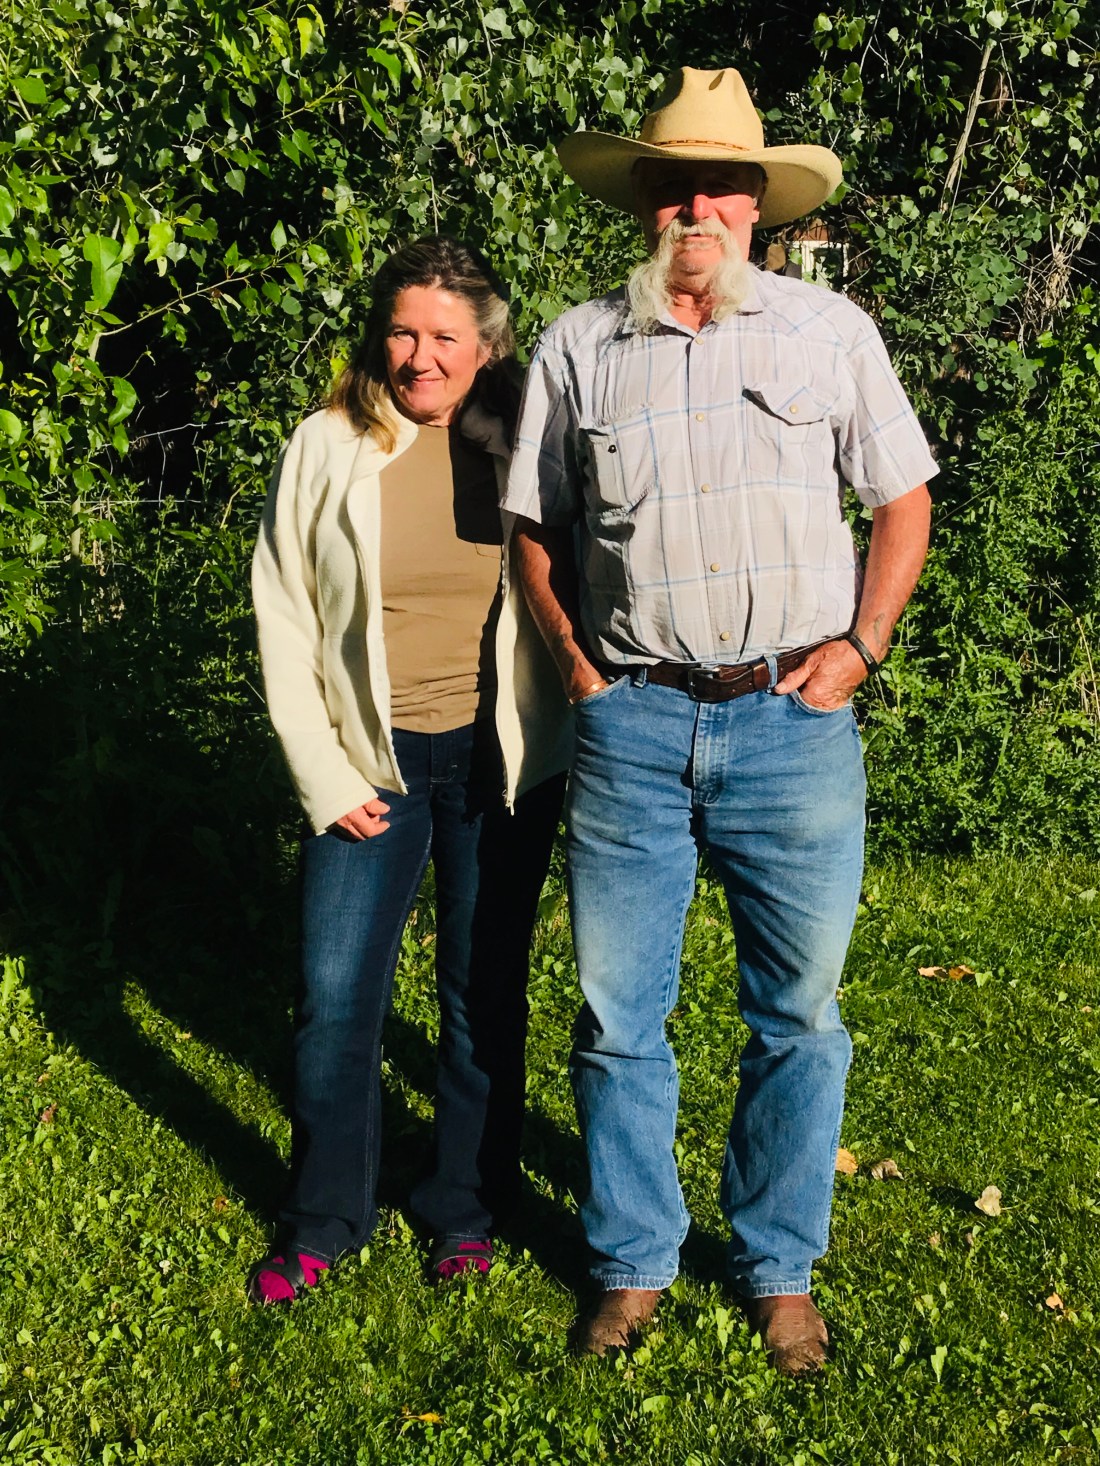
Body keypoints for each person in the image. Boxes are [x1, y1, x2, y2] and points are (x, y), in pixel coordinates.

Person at [502, 67, 938, 1373]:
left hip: (792, 725)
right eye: (675, 186)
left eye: (722, 188)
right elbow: (534, 526)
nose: (698, 209)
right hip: (632, 723)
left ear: (759, 207)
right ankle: (631, 1260)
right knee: (613, 1015)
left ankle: (776, 1265)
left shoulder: (829, 333)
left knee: (797, 1015)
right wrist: (576, 664)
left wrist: (861, 647)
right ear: (645, 202)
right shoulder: (580, 345)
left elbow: (903, 497)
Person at [249, 234, 569, 1302]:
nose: (418, 356)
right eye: (401, 331)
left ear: (487, 346)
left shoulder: (527, 445)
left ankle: (465, 1207)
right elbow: (283, 613)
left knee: (483, 995)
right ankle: (324, 1216)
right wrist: (324, 773)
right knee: (334, 1000)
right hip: (367, 764)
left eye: (442, 336)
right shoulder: (328, 443)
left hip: (497, 762)